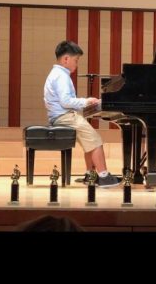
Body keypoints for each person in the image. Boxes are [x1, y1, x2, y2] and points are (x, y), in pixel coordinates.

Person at [43, 41, 120, 187]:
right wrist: (86, 101)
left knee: (89, 141)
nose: (76, 65)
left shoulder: (57, 74)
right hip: (64, 117)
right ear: (66, 59)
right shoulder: (61, 76)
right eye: (76, 60)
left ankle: (89, 175)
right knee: (95, 140)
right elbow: (66, 102)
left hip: (60, 117)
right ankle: (104, 177)